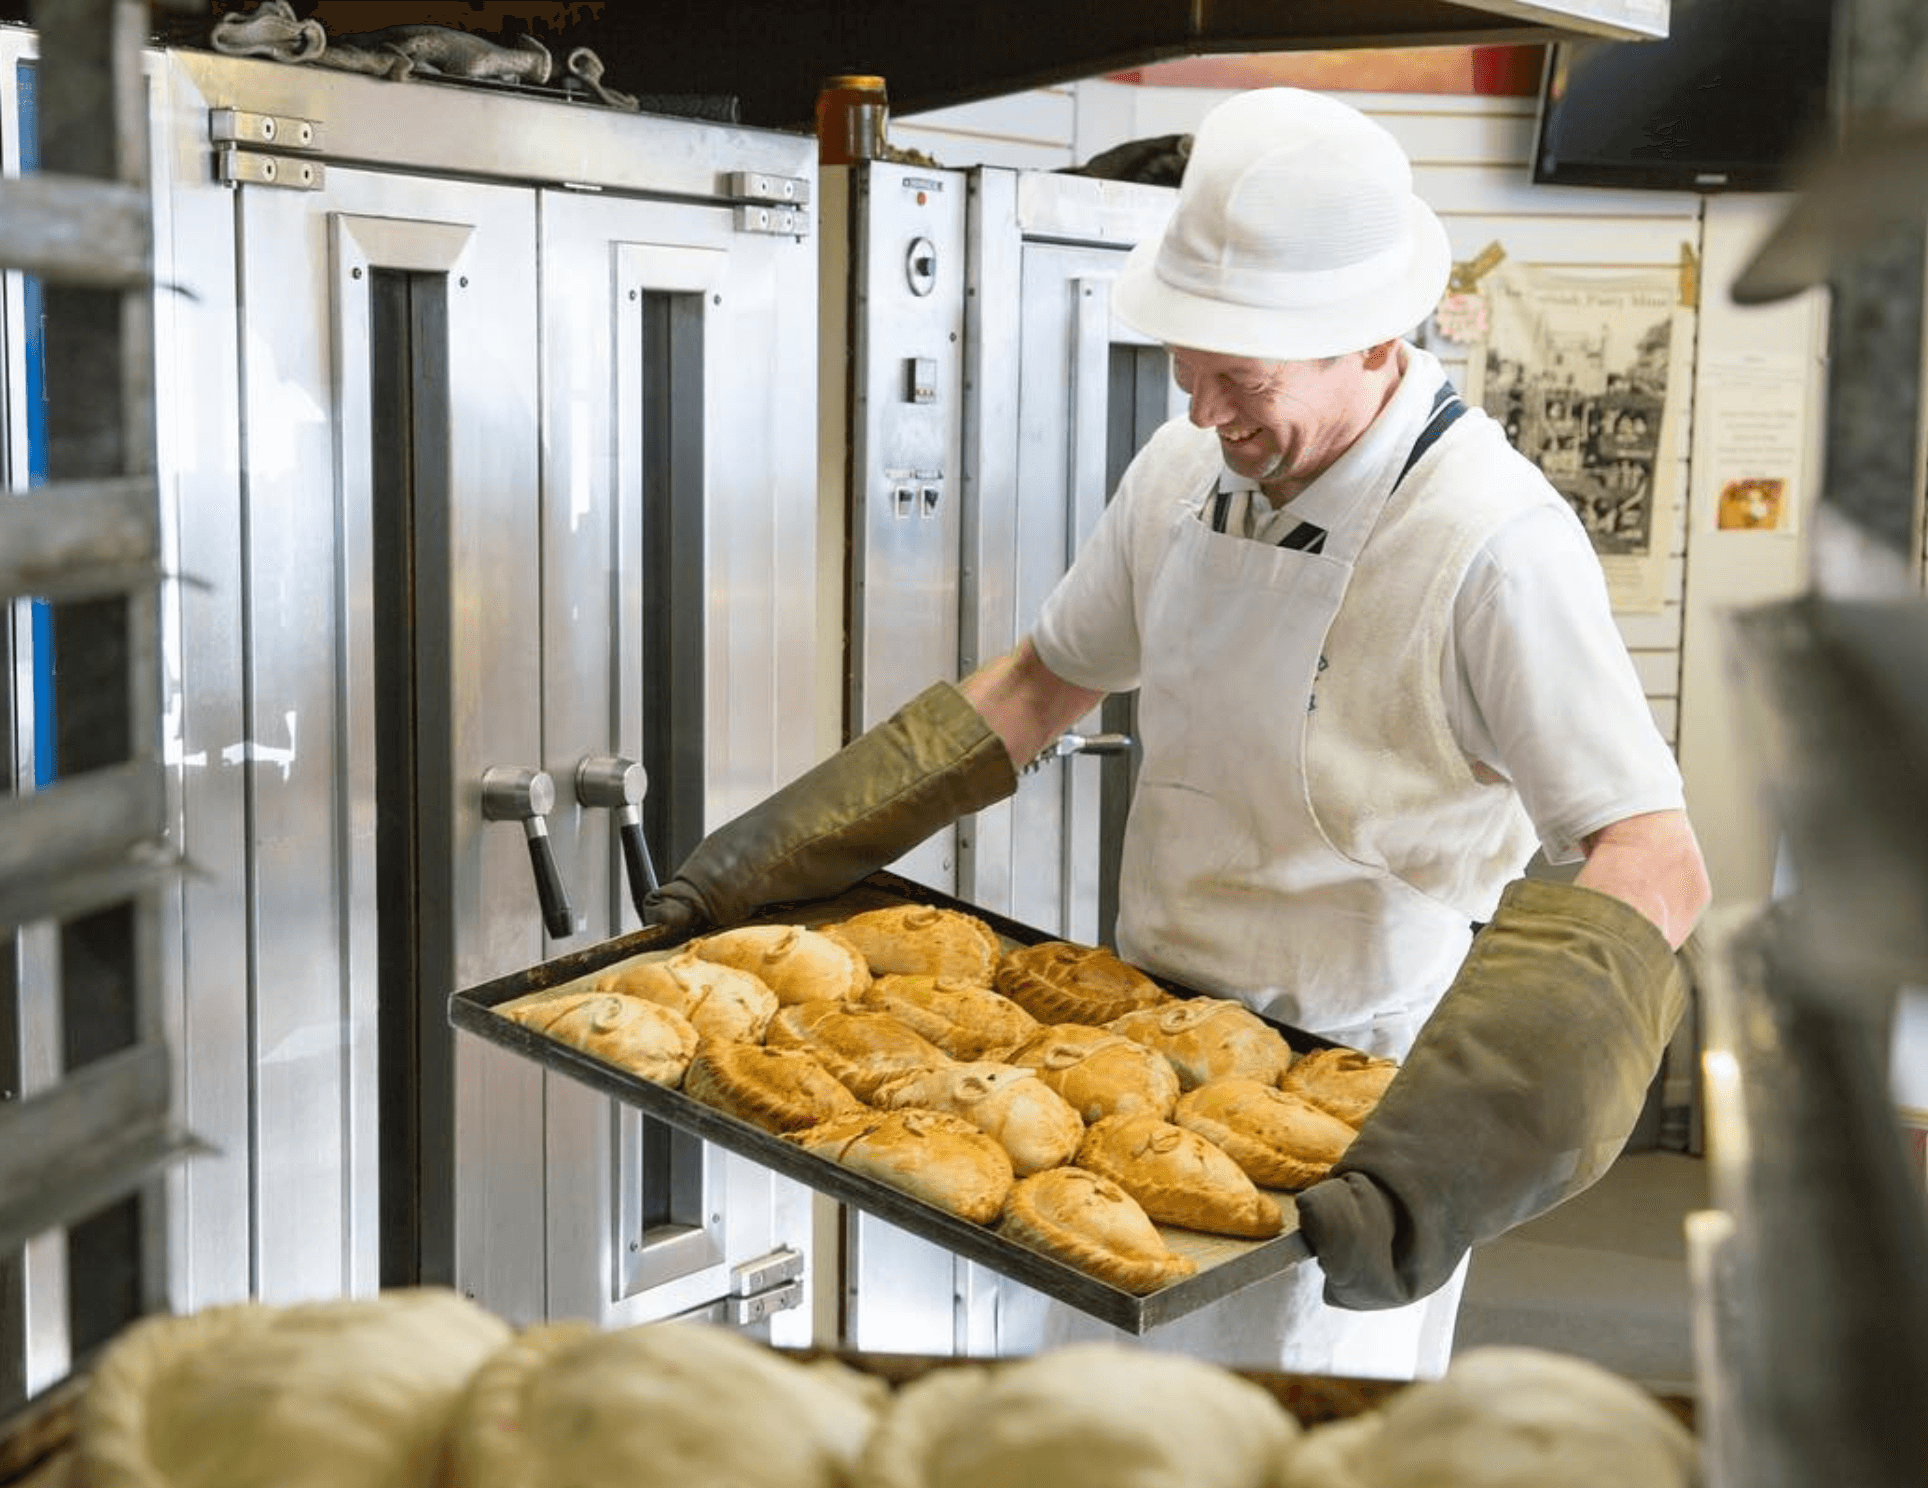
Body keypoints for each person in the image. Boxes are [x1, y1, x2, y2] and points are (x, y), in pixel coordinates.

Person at [644, 88, 1709, 1379]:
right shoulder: (1184, 470)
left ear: (1372, 342)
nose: (1204, 415)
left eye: (1239, 381)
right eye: (1187, 370)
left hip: (1348, 1105)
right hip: (1127, 1063)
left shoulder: (1492, 545)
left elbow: (1649, 858)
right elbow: (1043, 683)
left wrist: (1457, 1159)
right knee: (1104, 1428)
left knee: (1280, 1444)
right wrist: (768, 856)